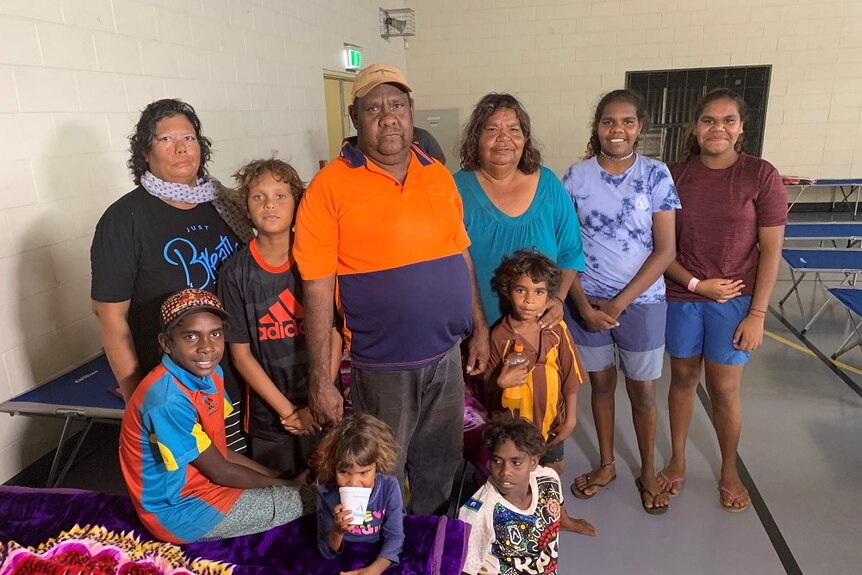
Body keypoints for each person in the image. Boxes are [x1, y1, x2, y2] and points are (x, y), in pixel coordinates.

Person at [293, 63, 489, 516]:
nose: (388, 117)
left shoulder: (437, 174)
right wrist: (320, 381)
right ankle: (381, 554)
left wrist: (478, 326)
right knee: (379, 472)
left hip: (446, 358)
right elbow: (318, 289)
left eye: (397, 105)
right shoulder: (328, 188)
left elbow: (460, 254)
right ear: (355, 117)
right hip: (383, 367)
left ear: (411, 110)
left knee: (442, 467)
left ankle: (429, 551)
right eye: (373, 108)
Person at [91, 98, 252, 448]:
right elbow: (111, 318)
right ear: (146, 153)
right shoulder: (124, 220)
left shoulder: (226, 205)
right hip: (175, 391)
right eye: (166, 139)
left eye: (189, 138)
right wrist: (140, 401)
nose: (181, 148)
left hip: (240, 377)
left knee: (245, 468)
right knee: (203, 485)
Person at [659, 88, 786, 512]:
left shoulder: (760, 175)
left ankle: (728, 469)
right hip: (683, 294)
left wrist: (757, 314)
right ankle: (676, 460)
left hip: (735, 300)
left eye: (728, 120)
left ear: (741, 128)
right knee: (681, 381)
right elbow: (662, 250)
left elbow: (771, 251)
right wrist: (696, 285)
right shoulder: (673, 175)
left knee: (725, 390)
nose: (718, 128)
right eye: (709, 121)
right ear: (695, 129)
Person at [562, 89, 680, 514]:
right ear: (597, 126)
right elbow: (567, 247)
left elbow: (664, 250)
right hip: (587, 303)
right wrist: (584, 305)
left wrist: (618, 304)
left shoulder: (655, 175)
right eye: (609, 122)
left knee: (643, 392)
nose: (618, 130)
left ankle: (648, 472)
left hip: (643, 303)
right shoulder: (576, 177)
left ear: (640, 127)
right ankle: (607, 464)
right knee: (601, 387)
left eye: (627, 121)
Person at [119, 288, 314, 544]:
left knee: (297, 485)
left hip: (208, 486)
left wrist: (279, 478)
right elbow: (220, 471)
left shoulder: (211, 374)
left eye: (216, 334)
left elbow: (218, 451)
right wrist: (292, 488)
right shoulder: (167, 401)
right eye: (191, 336)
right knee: (316, 498)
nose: (207, 348)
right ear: (167, 343)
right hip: (180, 512)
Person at [217, 159, 343, 478]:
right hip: (270, 418)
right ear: (246, 208)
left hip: (322, 407)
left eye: (281, 195)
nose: (270, 204)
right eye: (258, 196)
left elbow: (334, 335)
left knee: (327, 491)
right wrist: (288, 411)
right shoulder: (235, 273)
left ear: (298, 203)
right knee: (277, 500)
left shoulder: (317, 260)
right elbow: (241, 355)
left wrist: (318, 397)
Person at [455, 92, 584, 329]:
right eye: (492, 130)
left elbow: (571, 251)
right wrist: (479, 328)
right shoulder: (456, 189)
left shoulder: (549, 185)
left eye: (514, 130)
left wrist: (557, 299)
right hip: (478, 330)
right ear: (476, 139)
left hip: (539, 328)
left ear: (525, 139)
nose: (504, 138)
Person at [486, 250, 584, 482]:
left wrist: (570, 419)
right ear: (507, 292)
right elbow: (488, 383)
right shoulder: (500, 336)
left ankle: (555, 515)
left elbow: (571, 377)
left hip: (551, 427)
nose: (529, 300)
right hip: (513, 432)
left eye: (538, 292)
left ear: (550, 297)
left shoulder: (556, 329)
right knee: (514, 477)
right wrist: (500, 382)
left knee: (552, 471)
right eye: (521, 290)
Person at [458, 415, 595, 575]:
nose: (505, 472)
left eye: (516, 463)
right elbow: (466, 567)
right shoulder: (477, 514)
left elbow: (557, 505)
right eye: (497, 461)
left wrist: (565, 522)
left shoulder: (549, 479)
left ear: (533, 462)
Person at [316, 414, 404, 575]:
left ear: (377, 465)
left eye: (363, 473)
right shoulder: (326, 491)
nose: (354, 482)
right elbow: (325, 551)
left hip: (380, 554)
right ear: (333, 467)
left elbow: (395, 537)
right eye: (344, 472)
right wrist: (337, 531)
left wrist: (373, 570)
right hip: (343, 554)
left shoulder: (388, 486)